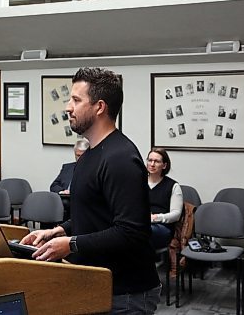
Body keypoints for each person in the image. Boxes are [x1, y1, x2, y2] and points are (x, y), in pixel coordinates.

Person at [21, 67, 161, 314]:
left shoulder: (121, 158)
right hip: (96, 285)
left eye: (76, 100)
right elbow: (96, 214)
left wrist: (71, 244)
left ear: (99, 107)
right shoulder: (89, 155)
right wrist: (59, 231)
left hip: (124, 293)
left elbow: (132, 232)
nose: (68, 107)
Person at [146, 148, 184, 250]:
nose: (152, 164)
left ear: (164, 165)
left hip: (162, 227)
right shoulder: (138, 182)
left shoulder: (173, 186)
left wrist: (156, 218)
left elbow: (176, 214)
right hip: (141, 223)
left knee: (143, 231)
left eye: (157, 161)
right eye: (150, 160)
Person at [50, 138, 89, 221]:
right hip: (64, 199)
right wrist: (62, 191)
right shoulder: (67, 168)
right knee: (48, 204)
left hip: (81, 203)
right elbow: (54, 186)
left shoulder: (94, 169)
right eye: (77, 155)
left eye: (82, 155)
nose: (79, 159)